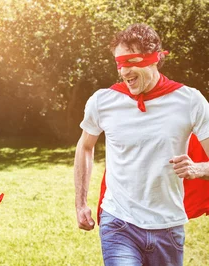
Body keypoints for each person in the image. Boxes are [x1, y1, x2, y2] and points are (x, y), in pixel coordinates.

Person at [74, 23, 209, 265]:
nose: (124, 71)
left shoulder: (189, 101)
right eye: (119, 63)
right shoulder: (103, 101)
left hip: (168, 227)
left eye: (131, 61)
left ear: (155, 58)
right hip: (118, 222)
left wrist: (199, 169)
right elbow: (85, 146)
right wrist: (81, 203)